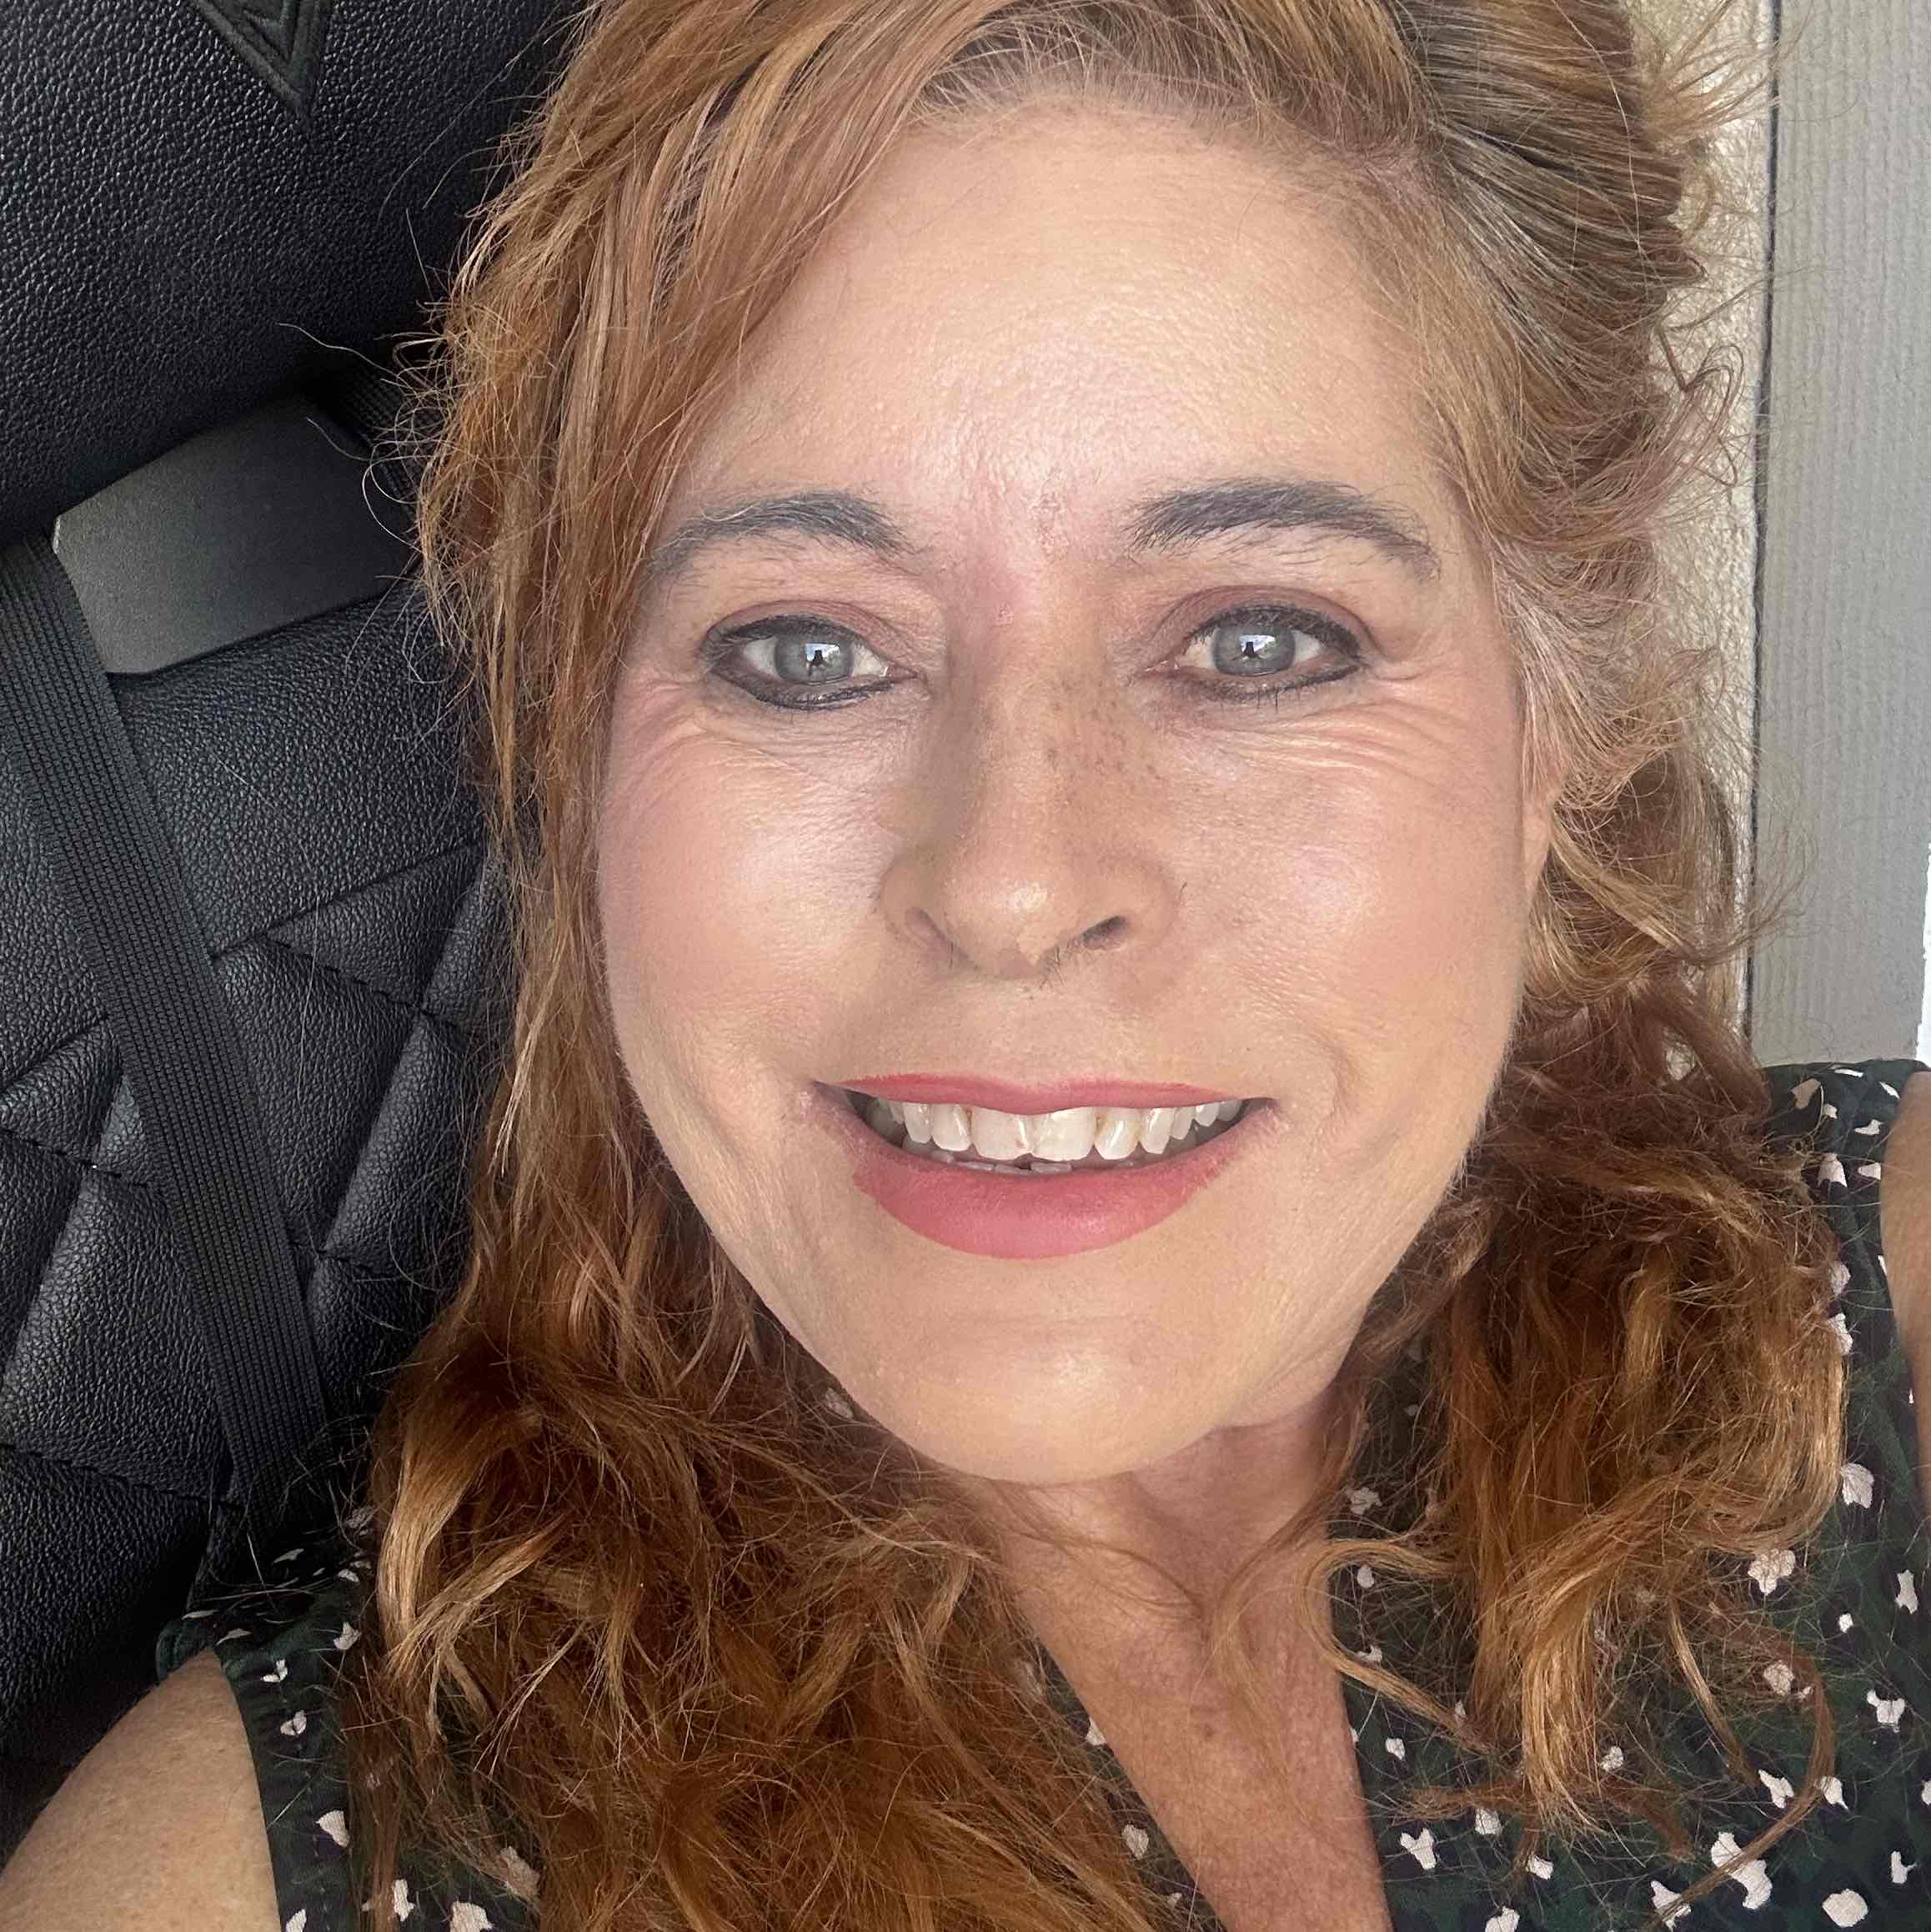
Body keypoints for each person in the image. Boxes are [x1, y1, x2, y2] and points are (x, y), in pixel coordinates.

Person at [5, 1, 1929, 1928]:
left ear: (1558, 717)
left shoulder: (1884, 1326)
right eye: (805, 650)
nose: (1013, 887)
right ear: (574, 756)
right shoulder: (237, 1880)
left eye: (1260, 640)